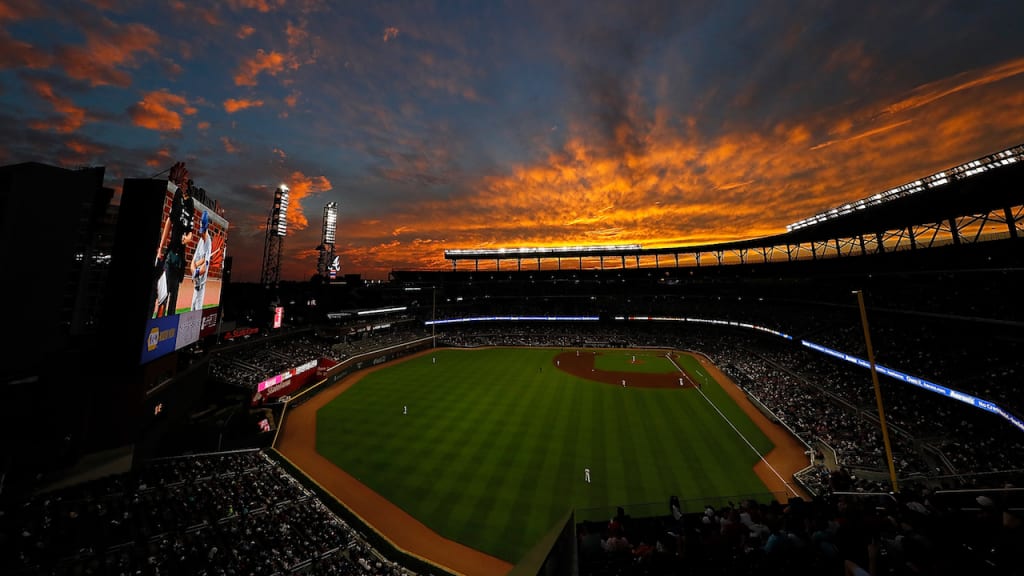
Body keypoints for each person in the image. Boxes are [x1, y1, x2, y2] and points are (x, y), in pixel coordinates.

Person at [154, 162, 195, 317]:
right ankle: (157, 326)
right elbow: (169, 223)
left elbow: (190, 233)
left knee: (174, 297)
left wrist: (188, 238)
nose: (186, 185)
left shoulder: (190, 203)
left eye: (187, 183)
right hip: (170, 255)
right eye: (184, 182)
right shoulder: (177, 197)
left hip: (180, 259)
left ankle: (168, 324)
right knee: (162, 297)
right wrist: (161, 247)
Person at [190, 210, 212, 311]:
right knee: (191, 310)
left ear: (207, 228)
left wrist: (197, 271)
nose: (201, 234)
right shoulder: (200, 241)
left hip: (200, 286)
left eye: (203, 231)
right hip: (195, 284)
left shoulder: (208, 243)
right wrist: (195, 270)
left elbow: (204, 269)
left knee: (197, 311)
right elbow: (192, 263)